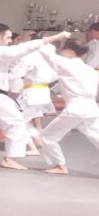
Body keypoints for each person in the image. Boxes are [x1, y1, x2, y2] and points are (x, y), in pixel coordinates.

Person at [0, 25, 69, 170]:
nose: (10, 41)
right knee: (16, 123)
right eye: (8, 38)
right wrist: (55, 37)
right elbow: (22, 49)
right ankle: (9, 158)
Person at [36, 40, 99, 175]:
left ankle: (60, 165)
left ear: (70, 52)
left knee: (48, 136)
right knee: (96, 136)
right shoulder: (90, 70)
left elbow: (46, 53)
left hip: (76, 107)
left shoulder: (66, 64)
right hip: (91, 107)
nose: (61, 52)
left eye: (63, 49)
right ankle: (59, 165)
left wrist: (49, 40)